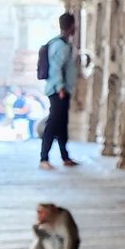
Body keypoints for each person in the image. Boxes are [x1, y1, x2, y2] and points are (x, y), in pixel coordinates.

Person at [39, 12, 79, 168]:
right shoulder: (61, 46)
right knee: (53, 124)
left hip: (61, 90)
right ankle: (44, 158)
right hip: (58, 91)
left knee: (61, 124)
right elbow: (56, 68)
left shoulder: (61, 43)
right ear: (71, 26)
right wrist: (60, 87)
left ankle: (65, 156)